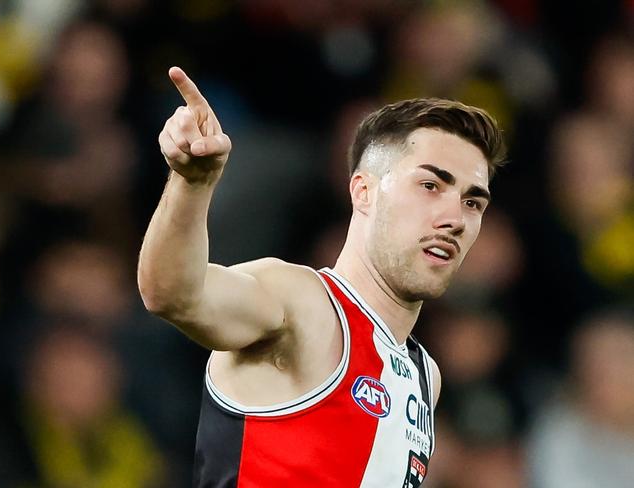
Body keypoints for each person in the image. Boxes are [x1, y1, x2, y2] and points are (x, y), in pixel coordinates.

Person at [138, 66, 506, 487]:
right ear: (363, 191)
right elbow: (173, 294)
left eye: (473, 202)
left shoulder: (425, 376)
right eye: (429, 185)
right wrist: (191, 182)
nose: (455, 218)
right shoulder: (300, 302)